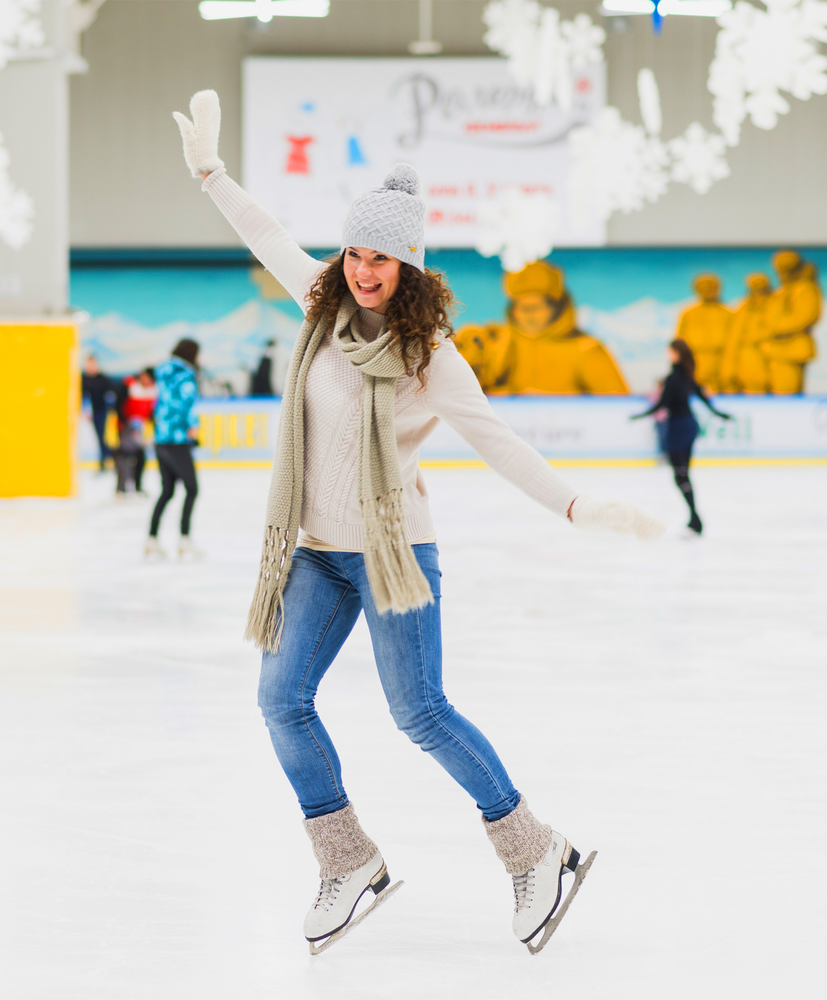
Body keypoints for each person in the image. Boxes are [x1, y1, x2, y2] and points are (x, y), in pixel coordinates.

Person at [173, 90, 665, 956]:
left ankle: (536, 850)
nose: (365, 270)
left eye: (383, 257)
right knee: (280, 700)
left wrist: (577, 505)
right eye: (355, 252)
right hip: (315, 554)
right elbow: (265, 233)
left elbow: (498, 443)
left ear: (410, 266)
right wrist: (211, 172)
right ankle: (347, 860)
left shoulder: (430, 358)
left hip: (393, 554)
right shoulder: (321, 307)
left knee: (421, 712)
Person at [454, 261, 629, 394]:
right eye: (523, 307)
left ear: (556, 308)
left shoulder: (587, 351)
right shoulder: (493, 344)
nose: (529, 315)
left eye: (536, 307)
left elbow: (619, 409)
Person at [632, 339, 731, 536]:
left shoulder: (672, 379)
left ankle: (695, 519)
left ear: (676, 353)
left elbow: (662, 404)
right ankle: (695, 518)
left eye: (670, 351)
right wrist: (719, 414)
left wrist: (641, 415)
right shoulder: (687, 376)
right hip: (690, 427)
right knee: (683, 474)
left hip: (677, 428)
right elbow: (703, 398)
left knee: (680, 475)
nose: (668, 354)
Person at [145, 339, 204, 560]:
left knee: (167, 490)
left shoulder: (162, 370)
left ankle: (151, 539)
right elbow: (186, 403)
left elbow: (161, 401)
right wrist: (193, 425)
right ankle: (184, 539)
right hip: (177, 439)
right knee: (192, 488)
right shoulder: (187, 373)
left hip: (161, 438)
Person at [761, 251, 820, 394]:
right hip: (777, 351)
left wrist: (771, 328)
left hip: (791, 350)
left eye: (785, 269)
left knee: (786, 393)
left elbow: (801, 318)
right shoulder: (784, 290)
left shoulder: (804, 288)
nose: (781, 274)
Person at [674, 274, 733, 392]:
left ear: (717, 289)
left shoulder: (728, 314)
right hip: (695, 360)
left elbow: (734, 341)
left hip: (720, 361)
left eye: (711, 287)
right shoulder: (689, 314)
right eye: (703, 288)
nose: (707, 291)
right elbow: (679, 341)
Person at [720, 273, 773, 393]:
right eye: (754, 287)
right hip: (747, 357)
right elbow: (734, 337)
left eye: (760, 287)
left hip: (769, 355)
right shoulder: (744, 308)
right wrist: (728, 368)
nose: (757, 290)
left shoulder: (774, 305)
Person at [114, 368, 157, 495]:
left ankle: (138, 486)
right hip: (126, 428)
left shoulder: (153, 389)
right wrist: (127, 423)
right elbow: (118, 405)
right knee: (123, 458)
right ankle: (121, 488)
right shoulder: (129, 385)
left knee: (141, 458)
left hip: (141, 429)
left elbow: (151, 411)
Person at [81, 354, 115, 472]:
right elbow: (83, 397)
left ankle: (107, 459)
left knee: (103, 437)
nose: (90, 366)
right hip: (90, 413)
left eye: (92, 364)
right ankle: (104, 460)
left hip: (102, 411)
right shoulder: (84, 379)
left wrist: (110, 407)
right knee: (96, 438)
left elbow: (111, 394)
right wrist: (86, 410)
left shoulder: (102, 379)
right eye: (88, 364)